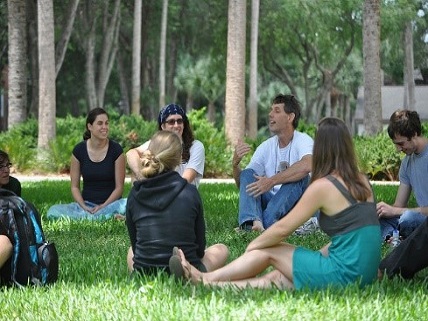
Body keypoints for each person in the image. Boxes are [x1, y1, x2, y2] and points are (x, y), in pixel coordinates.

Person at [169, 117, 381, 290]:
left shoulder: (324, 186)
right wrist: (316, 257)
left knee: (268, 250)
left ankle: (203, 279)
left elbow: (282, 228)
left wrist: (254, 246)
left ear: (322, 148)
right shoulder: (362, 181)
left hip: (343, 274)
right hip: (365, 275)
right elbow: (354, 237)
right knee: (277, 279)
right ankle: (215, 286)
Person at [126, 131, 228, 275]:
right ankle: (189, 273)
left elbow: (136, 248)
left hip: (145, 268)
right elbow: (199, 249)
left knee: (130, 251)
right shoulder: (190, 192)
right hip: (188, 264)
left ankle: (146, 272)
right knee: (222, 249)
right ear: (179, 158)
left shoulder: (135, 194)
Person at [232, 94, 313, 232]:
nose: (270, 114)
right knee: (247, 173)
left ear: (290, 117)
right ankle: (255, 222)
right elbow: (244, 185)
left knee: (300, 176)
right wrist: (235, 165)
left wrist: (271, 181)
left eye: (276, 111)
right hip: (272, 203)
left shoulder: (303, 140)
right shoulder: (266, 146)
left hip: (296, 205)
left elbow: (307, 165)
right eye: (271, 110)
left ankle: (255, 225)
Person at [47, 108, 127, 220]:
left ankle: (101, 216)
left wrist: (103, 206)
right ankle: (105, 217)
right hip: (87, 206)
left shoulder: (116, 150)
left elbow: (119, 188)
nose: (104, 127)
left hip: (112, 204)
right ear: (90, 127)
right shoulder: (79, 150)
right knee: (53, 210)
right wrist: (83, 206)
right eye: (100, 123)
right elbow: (75, 187)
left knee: (129, 203)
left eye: (106, 123)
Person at [376, 110, 428, 240]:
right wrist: (384, 211)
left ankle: (396, 237)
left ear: (414, 134)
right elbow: (398, 205)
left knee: (408, 219)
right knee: (376, 220)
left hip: (420, 220)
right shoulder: (407, 163)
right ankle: (393, 239)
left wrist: (395, 211)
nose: (398, 149)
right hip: (419, 220)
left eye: (401, 143)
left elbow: (399, 211)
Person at [126, 104, 205, 188]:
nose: (176, 125)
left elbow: (185, 180)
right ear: (163, 126)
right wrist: (141, 176)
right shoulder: (157, 143)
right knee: (137, 165)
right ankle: (139, 197)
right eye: (171, 122)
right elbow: (131, 153)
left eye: (179, 121)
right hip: (158, 194)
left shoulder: (196, 146)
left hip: (182, 195)